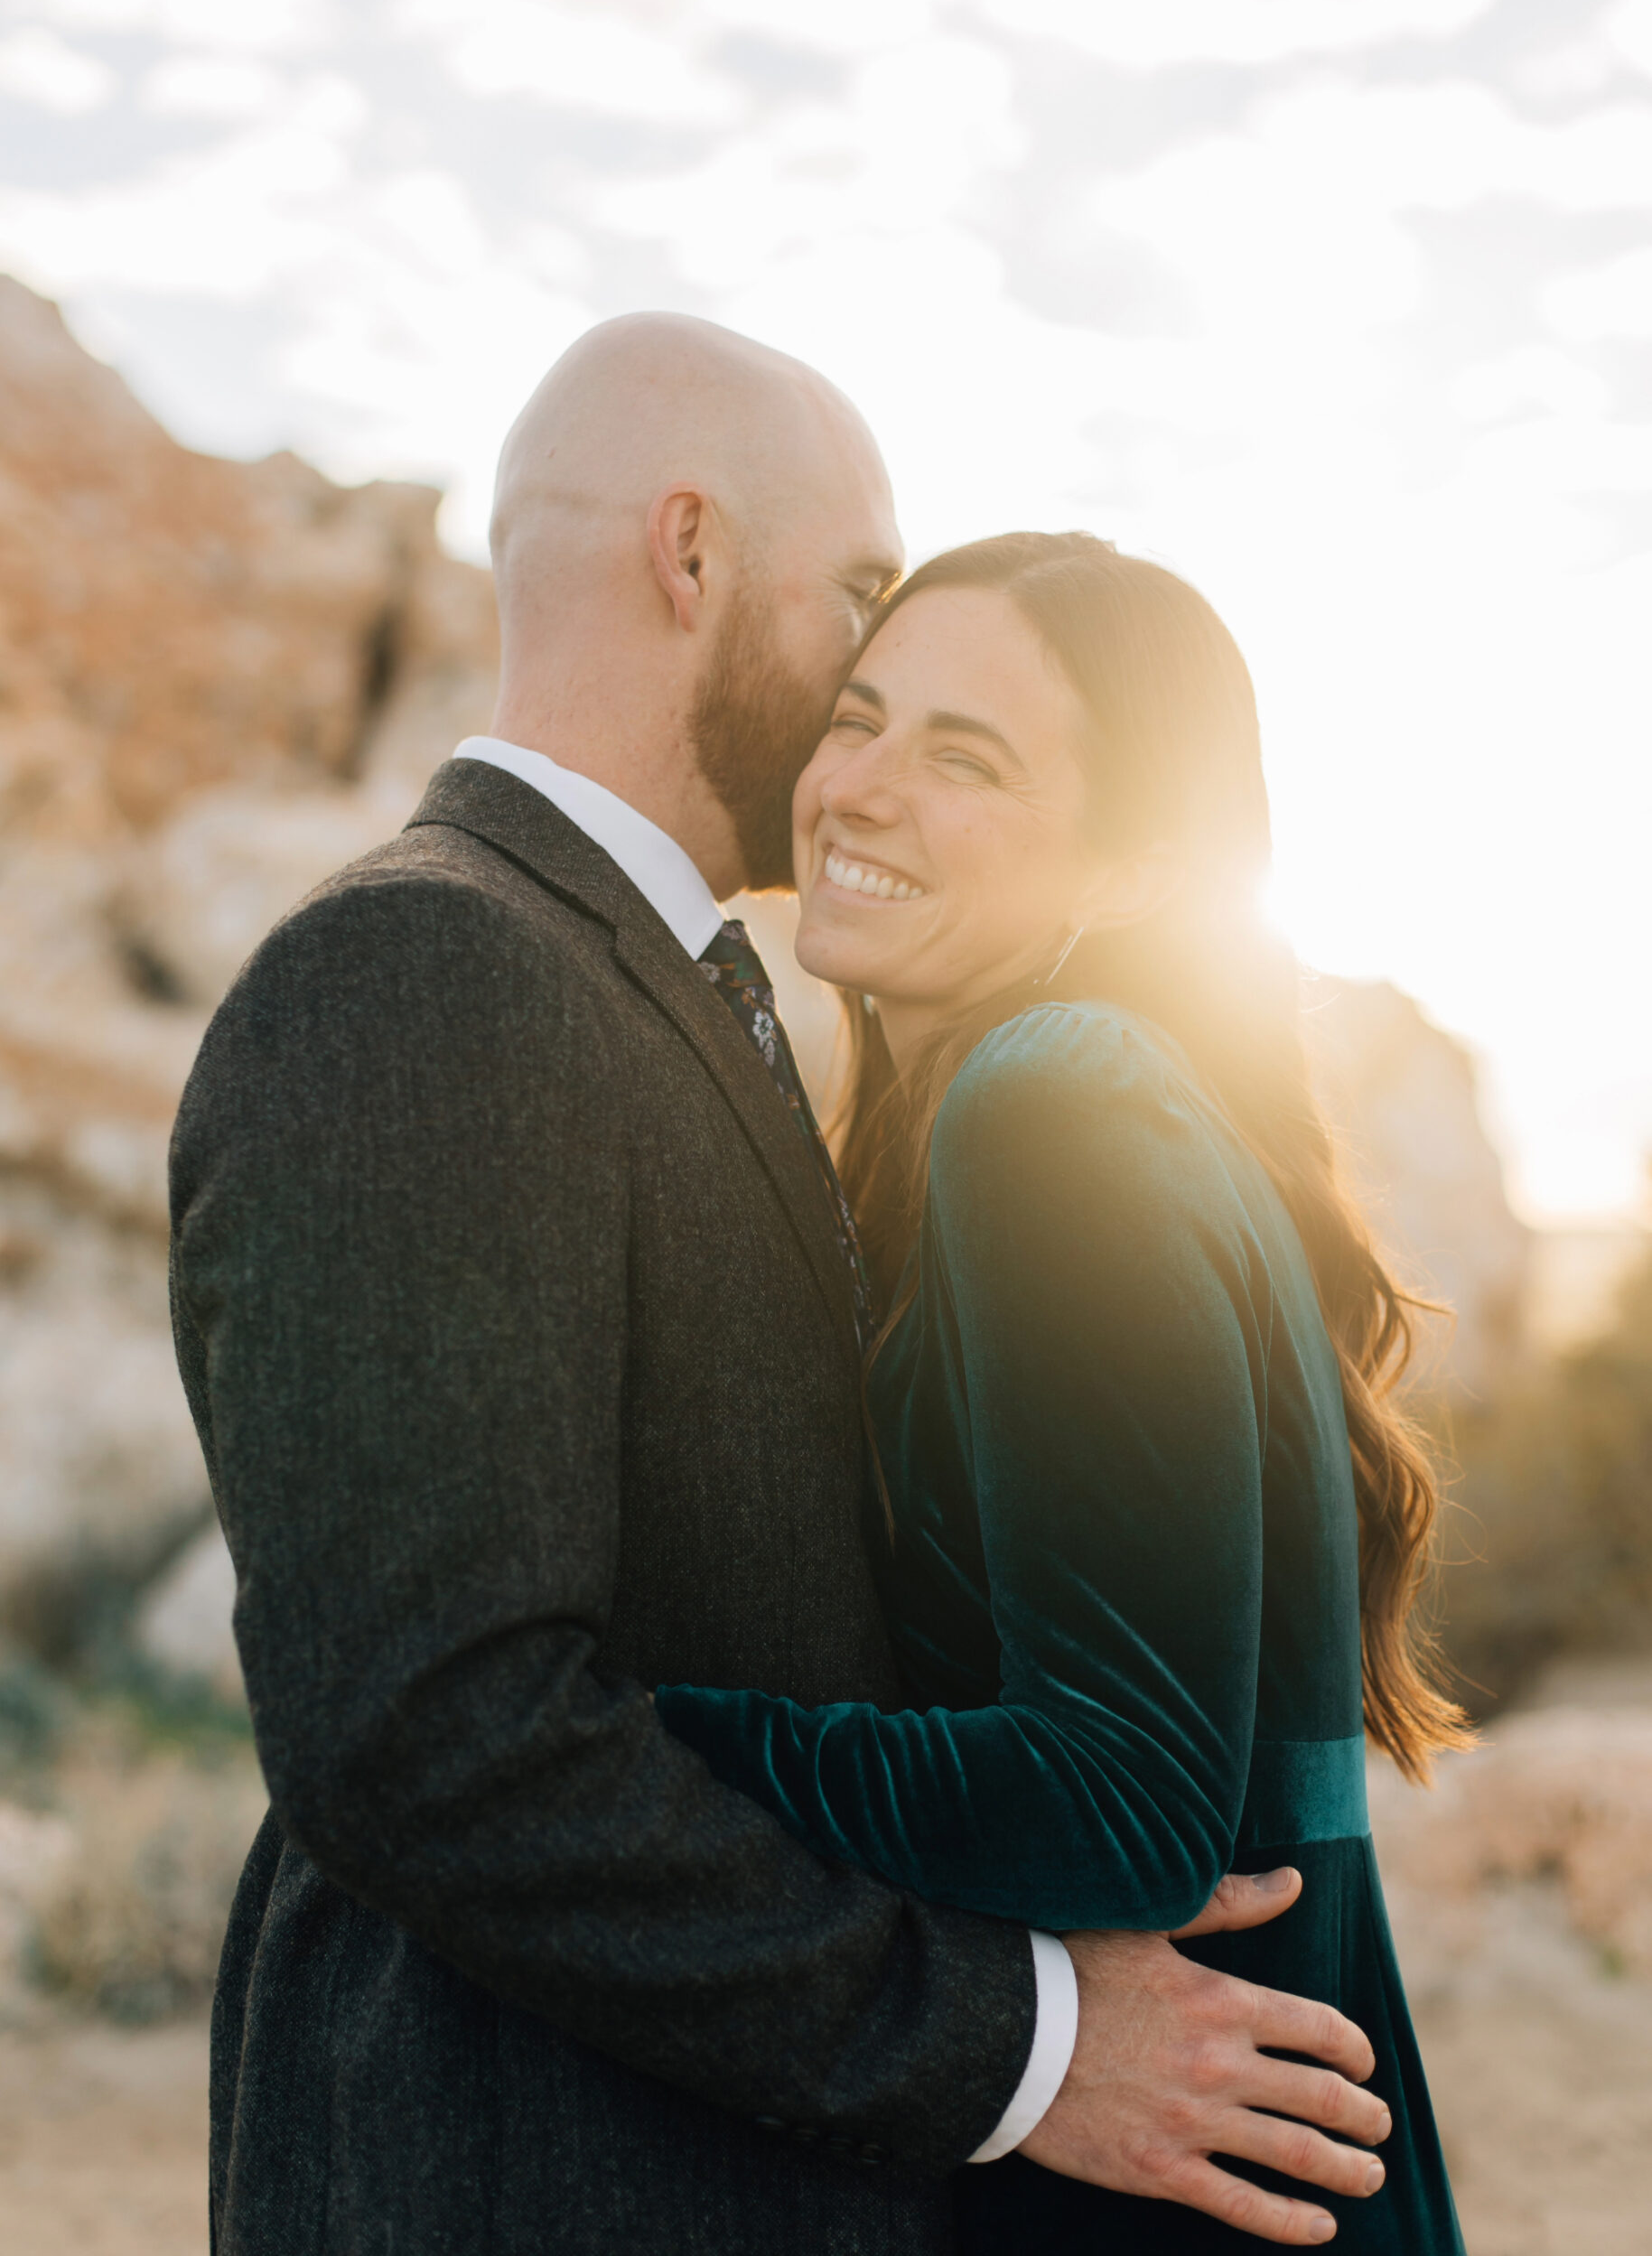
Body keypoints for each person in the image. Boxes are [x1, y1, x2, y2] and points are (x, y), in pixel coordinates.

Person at [169, 321, 1390, 2256]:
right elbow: (422, 1728)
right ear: (692, 556)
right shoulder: (426, 971)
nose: (856, 699)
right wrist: (1018, 2039)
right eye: (858, 603)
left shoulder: (690, 1005)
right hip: (522, 2175)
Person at [652, 531, 1470, 2251]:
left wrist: (636, 1728)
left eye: (966, 758)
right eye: (859, 719)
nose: (859, 789)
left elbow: (1120, 1810)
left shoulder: (1052, 1107)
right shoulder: (1099, 1103)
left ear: (1135, 869)